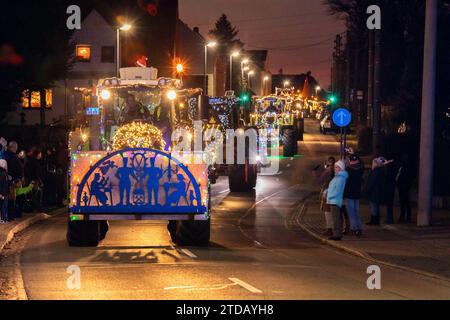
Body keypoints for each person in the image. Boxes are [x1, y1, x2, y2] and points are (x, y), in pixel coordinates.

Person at [326, 160, 349, 241]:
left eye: (337, 167)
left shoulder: (340, 178)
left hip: (335, 200)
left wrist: (330, 196)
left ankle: (337, 235)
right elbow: (332, 187)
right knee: (336, 218)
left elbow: (338, 190)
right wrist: (326, 191)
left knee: (336, 218)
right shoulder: (337, 176)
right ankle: (336, 233)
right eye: (335, 167)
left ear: (341, 168)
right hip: (333, 200)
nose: (335, 168)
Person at [314, 157, 335, 236]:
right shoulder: (335, 170)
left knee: (327, 212)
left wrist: (314, 172)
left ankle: (330, 229)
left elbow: (319, 180)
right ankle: (334, 228)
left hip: (327, 193)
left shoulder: (328, 171)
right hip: (334, 193)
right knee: (334, 212)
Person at [344, 154, 364, 236]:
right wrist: (355, 154)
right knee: (356, 211)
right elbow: (362, 163)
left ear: (350, 161)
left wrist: (344, 194)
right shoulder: (360, 169)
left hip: (349, 194)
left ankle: (354, 228)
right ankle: (359, 228)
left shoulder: (348, 170)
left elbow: (346, 183)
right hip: (357, 193)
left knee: (351, 212)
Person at [365, 158, 385, 226]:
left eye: (373, 163)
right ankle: (375, 220)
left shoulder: (375, 172)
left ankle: (374, 221)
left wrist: (368, 189)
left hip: (374, 191)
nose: (372, 164)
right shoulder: (379, 171)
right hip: (376, 191)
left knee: (374, 206)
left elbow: (372, 182)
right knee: (375, 206)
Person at [396, 154, 413, 223]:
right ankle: (403, 216)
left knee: (405, 202)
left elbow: (408, 178)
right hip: (401, 186)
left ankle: (406, 217)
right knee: (403, 202)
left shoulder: (406, 168)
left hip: (404, 186)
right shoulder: (401, 167)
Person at [381, 157, 397, 224]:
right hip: (390, 189)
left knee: (389, 205)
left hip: (388, 189)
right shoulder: (391, 171)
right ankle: (390, 219)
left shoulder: (388, 171)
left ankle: (390, 219)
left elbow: (386, 180)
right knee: (389, 205)